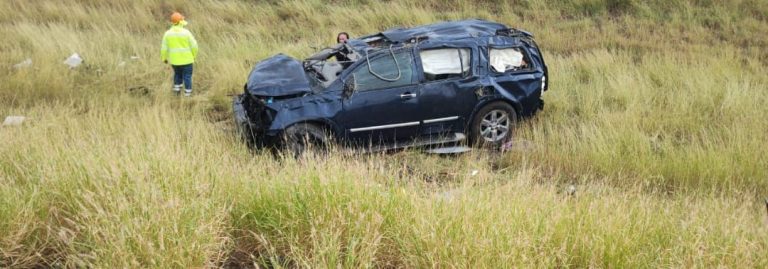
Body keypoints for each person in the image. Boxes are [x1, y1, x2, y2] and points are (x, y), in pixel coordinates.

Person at [161, 12, 198, 97]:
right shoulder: (186, 33)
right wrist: (194, 55)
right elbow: (194, 46)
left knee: (177, 75)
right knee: (187, 77)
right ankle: (187, 94)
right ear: (181, 22)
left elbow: (164, 48)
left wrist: (164, 58)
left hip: (175, 61)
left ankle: (177, 91)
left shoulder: (167, 33)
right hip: (187, 61)